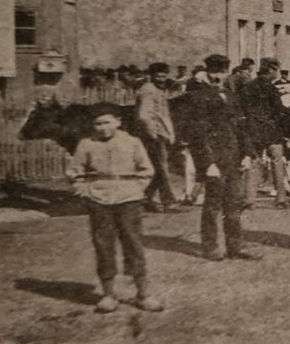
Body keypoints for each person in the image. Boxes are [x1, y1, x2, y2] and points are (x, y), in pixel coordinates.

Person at [67, 108, 159, 313]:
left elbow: (146, 170)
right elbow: (75, 172)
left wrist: (136, 189)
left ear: (118, 121)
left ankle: (144, 294)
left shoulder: (132, 142)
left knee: (133, 243)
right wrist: (84, 191)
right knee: (103, 244)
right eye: (98, 124)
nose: (103, 128)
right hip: (99, 199)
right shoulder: (86, 144)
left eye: (107, 122)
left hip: (128, 199)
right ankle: (108, 295)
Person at [177, 53, 258, 261]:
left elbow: (242, 127)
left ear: (226, 73)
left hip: (233, 157)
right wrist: (208, 163)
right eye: (214, 72)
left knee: (234, 204)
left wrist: (247, 153)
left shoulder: (232, 96)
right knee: (213, 205)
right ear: (207, 72)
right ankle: (211, 246)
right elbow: (198, 134)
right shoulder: (197, 97)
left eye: (221, 72)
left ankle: (235, 246)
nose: (217, 77)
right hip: (214, 159)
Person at [240, 59, 290, 208]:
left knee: (254, 162)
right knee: (277, 162)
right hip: (271, 130)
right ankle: (281, 198)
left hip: (254, 130)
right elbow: (279, 111)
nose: (277, 74)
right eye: (276, 70)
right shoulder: (271, 88)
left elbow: (243, 109)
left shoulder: (248, 87)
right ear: (270, 70)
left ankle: (250, 200)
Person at [135, 62, 179, 211]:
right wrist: (153, 134)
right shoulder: (148, 90)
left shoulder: (160, 90)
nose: (162, 79)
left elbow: (163, 115)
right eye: (158, 76)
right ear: (151, 76)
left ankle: (146, 198)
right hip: (153, 136)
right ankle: (169, 201)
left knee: (157, 167)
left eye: (164, 76)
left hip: (161, 134)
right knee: (162, 168)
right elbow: (144, 115)